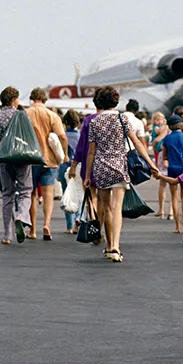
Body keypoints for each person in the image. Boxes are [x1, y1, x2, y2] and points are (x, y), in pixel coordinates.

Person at [84, 85, 159, 263]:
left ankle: (109, 246)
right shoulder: (122, 119)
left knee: (107, 208)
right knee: (117, 208)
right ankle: (116, 246)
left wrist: (87, 175)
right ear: (116, 101)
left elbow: (91, 152)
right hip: (119, 166)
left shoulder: (94, 122)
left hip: (101, 167)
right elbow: (136, 143)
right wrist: (150, 163)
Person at [25, 88, 69, 242]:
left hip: (30, 159)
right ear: (45, 99)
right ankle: (47, 225)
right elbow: (62, 137)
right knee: (48, 194)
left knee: (31, 194)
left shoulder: (25, 114)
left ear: (32, 98)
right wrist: (64, 154)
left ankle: (32, 229)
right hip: (49, 160)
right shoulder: (52, 115)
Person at [0, 86, 34, 245]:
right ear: (14, 99)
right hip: (21, 157)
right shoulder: (21, 116)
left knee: (7, 194)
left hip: (5, 156)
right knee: (25, 190)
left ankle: (7, 234)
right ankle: (21, 216)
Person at [161, 115, 183, 234]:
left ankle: (177, 225)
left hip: (172, 168)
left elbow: (165, 155)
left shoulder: (167, 138)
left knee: (174, 196)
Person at [59, 110, 82, 234]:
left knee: (67, 194)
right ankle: (79, 217)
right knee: (79, 194)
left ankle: (69, 226)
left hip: (65, 166)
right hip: (79, 167)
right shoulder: (81, 136)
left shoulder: (62, 136)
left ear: (65, 122)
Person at [150, 112, 171, 219]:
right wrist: (166, 126)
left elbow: (156, 141)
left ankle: (162, 210)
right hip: (161, 154)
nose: (160, 121)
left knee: (163, 183)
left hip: (161, 153)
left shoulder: (161, 128)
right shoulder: (156, 128)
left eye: (162, 119)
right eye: (157, 119)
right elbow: (160, 134)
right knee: (170, 184)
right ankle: (166, 210)